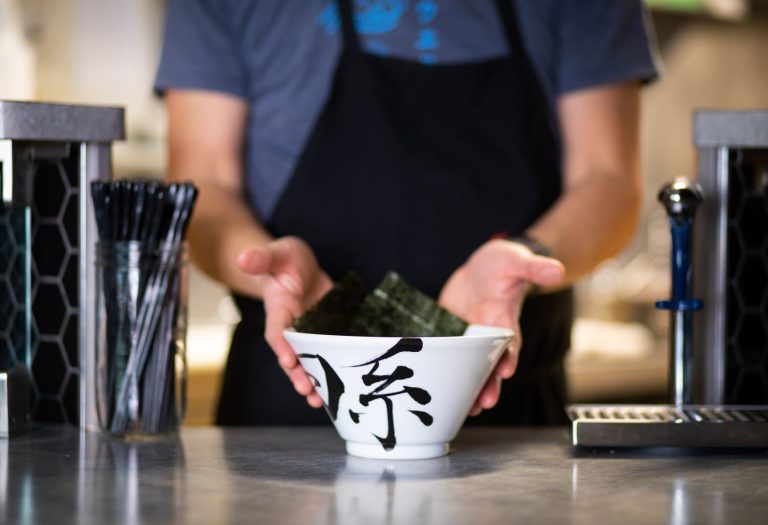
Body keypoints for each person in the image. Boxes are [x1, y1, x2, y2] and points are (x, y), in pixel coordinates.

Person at [155, 0, 658, 426]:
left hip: (509, 416)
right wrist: (267, 272)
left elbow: (607, 181)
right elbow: (206, 186)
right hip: (290, 406)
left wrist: (523, 262)